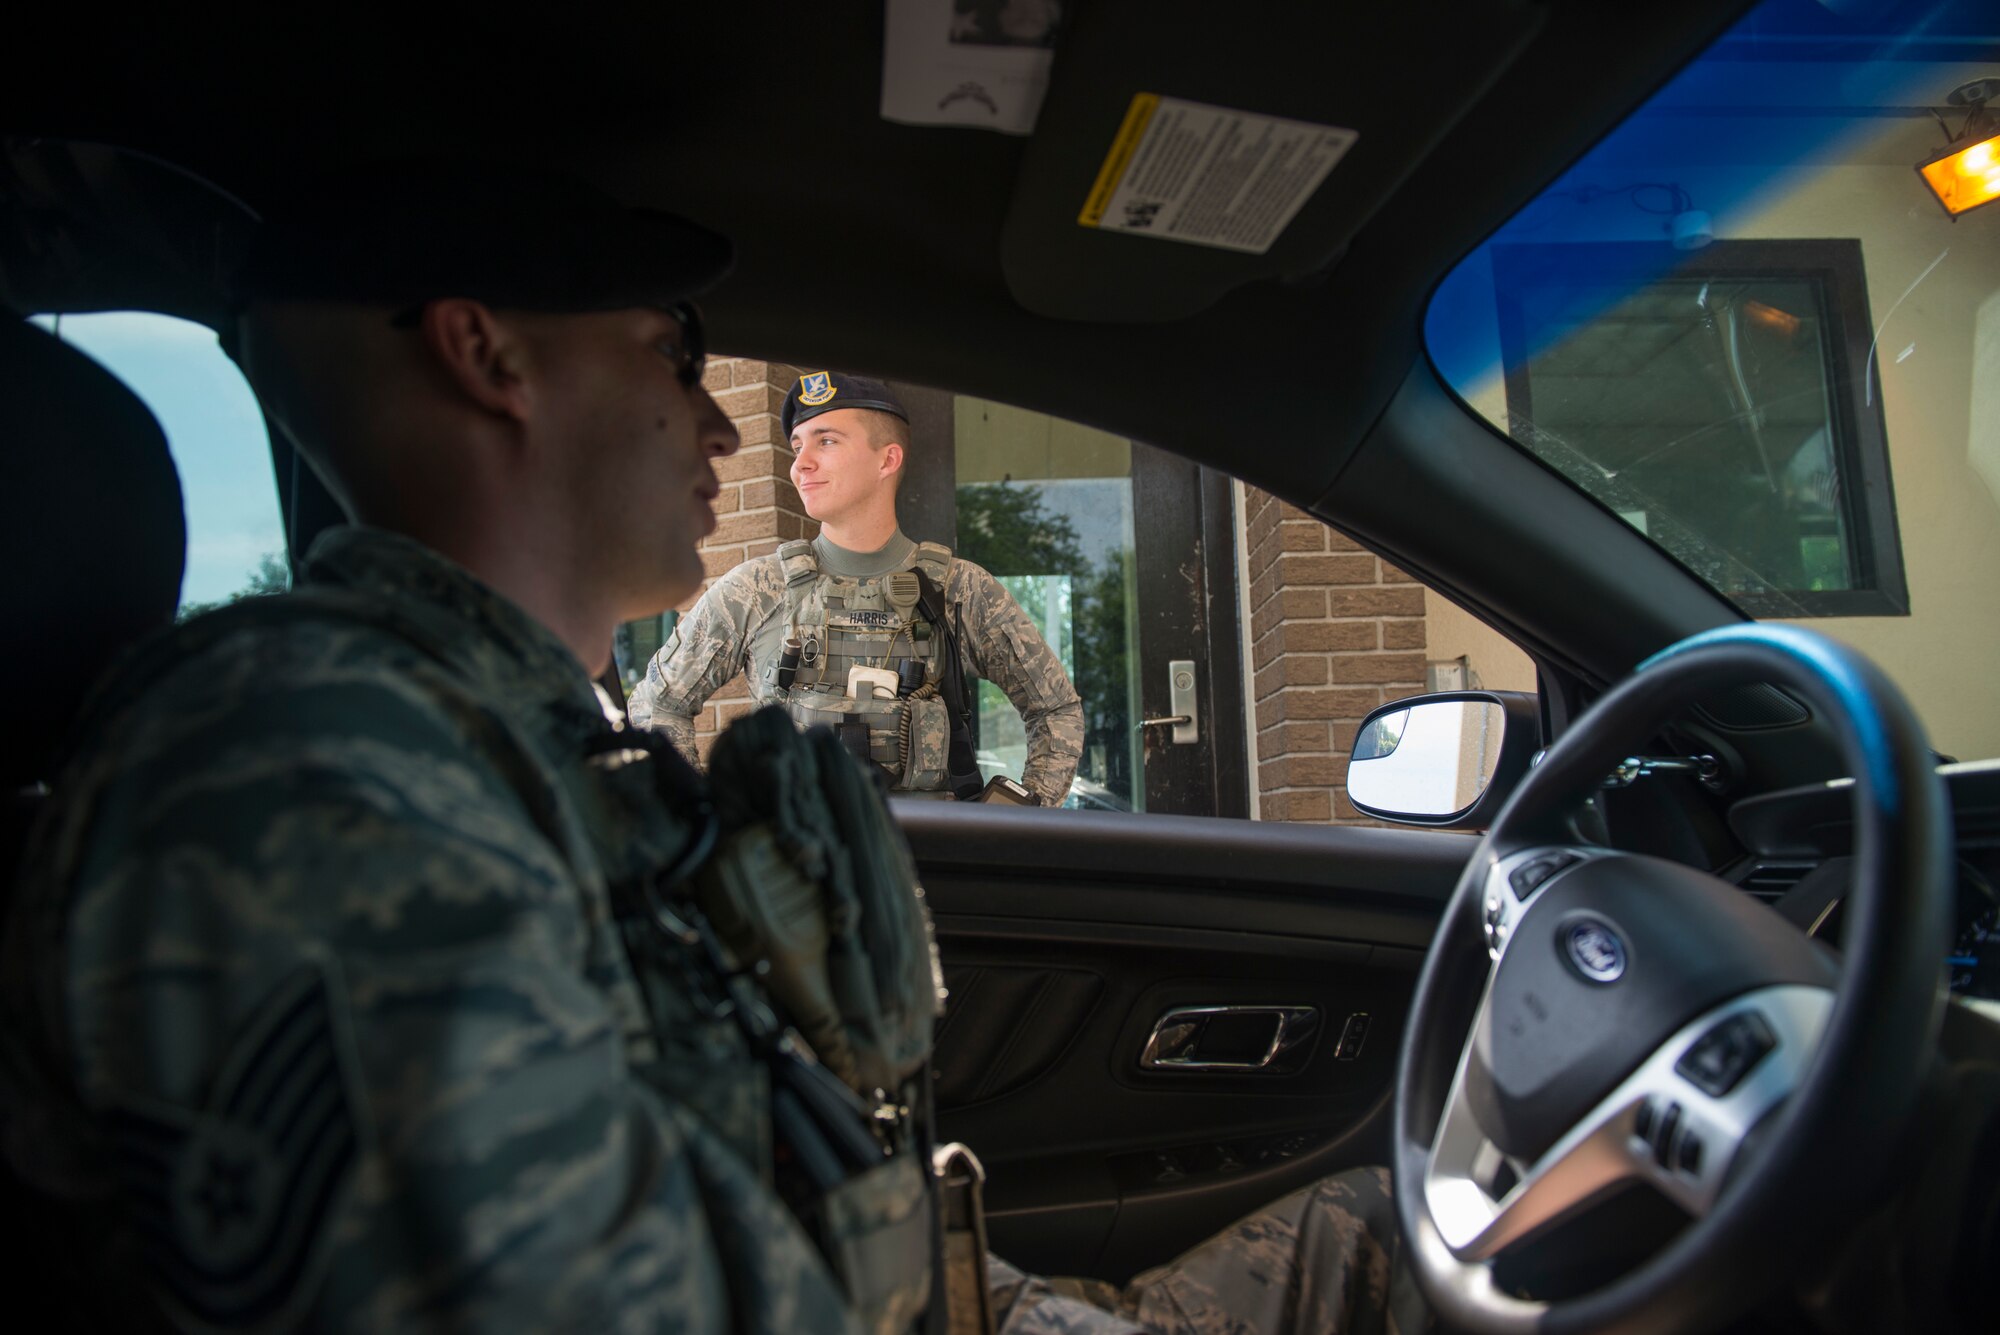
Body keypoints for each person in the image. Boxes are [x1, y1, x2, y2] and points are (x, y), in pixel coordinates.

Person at [0, 161, 1421, 1334]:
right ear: (487, 354)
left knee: (1394, 1230)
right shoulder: (310, 782)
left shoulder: (517, 748)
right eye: (672, 351)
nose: (726, 423)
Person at [627, 371, 1086, 807]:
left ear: (887, 459)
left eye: (826, 441)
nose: (801, 464)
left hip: (931, 859)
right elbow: (657, 704)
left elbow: (1056, 710)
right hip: (801, 858)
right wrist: (709, 820)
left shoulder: (962, 589)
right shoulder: (756, 588)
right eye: (797, 446)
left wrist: (1019, 813)